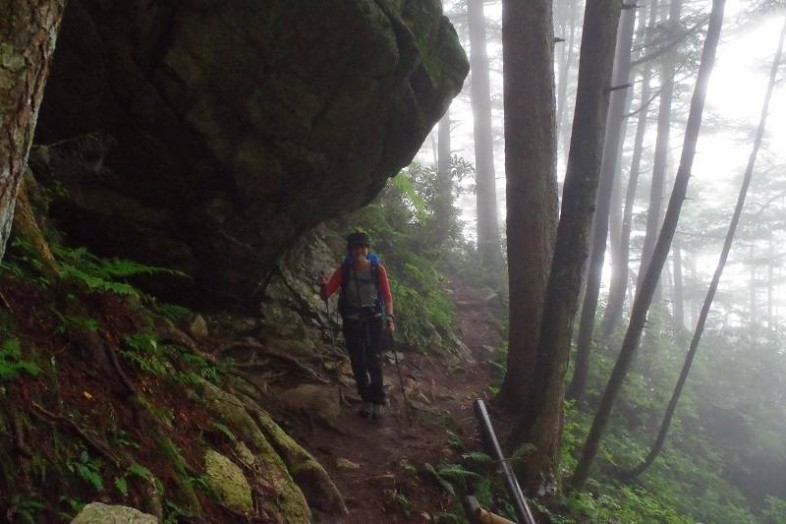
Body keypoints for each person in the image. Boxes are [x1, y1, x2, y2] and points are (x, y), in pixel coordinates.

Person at [319, 231, 395, 419]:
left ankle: (378, 399)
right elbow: (326, 294)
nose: (360, 250)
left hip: (373, 320)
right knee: (357, 362)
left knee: (373, 359)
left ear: (367, 249)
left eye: (363, 247)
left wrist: (390, 317)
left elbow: (387, 296)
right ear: (350, 250)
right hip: (352, 321)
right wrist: (322, 285)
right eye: (356, 247)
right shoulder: (344, 270)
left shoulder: (378, 270)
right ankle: (366, 399)